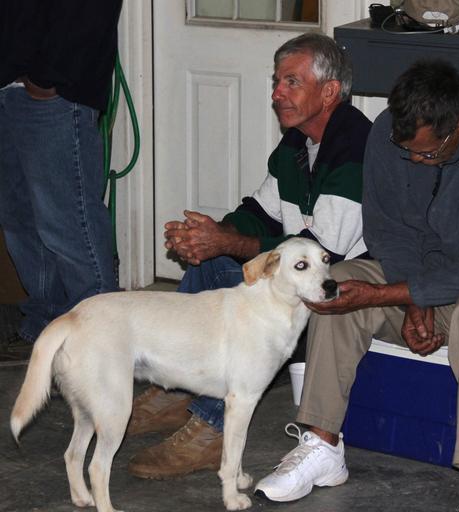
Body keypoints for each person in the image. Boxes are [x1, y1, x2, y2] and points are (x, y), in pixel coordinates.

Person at [254, 60, 459, 511]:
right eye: (404, 148)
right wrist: (415, 301)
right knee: (340, 283)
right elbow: (389, 231)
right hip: (435, 280)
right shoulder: (389, 132)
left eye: (426, 155)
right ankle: (322, 445)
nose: (413, 160)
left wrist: (399, 294)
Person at [125, 32, 372, 480]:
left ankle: (213, 428)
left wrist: (226, 242)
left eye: (291, 82)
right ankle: (177, 387)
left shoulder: (356, 148)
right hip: (295, 281)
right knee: (212, 262)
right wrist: (210, 235)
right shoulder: (297, 143)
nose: (277, 93)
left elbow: (321, 251)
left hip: (336, 285)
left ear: (330, 91)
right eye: (276, 82)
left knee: (233, 267)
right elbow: (259, 212)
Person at [0, 1, 123, 346]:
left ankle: (99, 336)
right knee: (18, 217)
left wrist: (48, 78)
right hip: (10, 80)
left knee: (68, 221)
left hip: (52, 91)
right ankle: (49, 323)